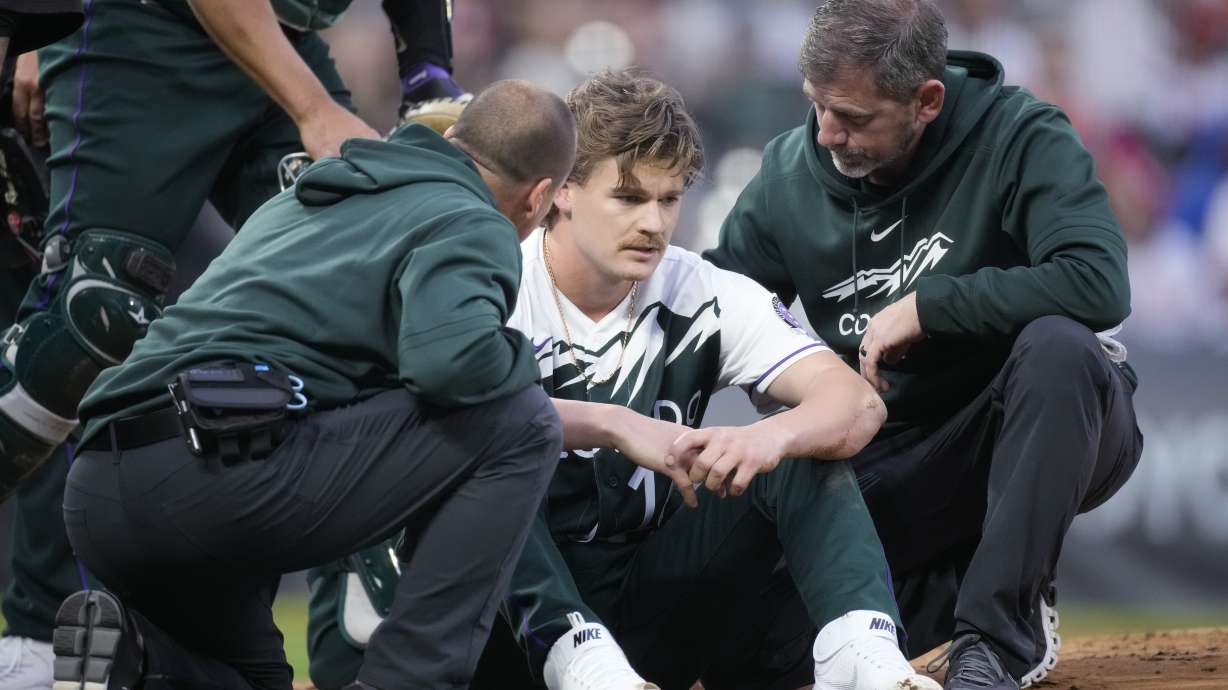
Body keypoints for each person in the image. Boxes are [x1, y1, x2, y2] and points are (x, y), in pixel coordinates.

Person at [307, 68, 942, 690]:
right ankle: (580, 660)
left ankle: (863, 656)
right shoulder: (490, 280)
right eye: (629, 196)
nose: (655, 224)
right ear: (561, 191)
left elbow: (857, 405)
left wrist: (768, 440)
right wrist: (612, 428)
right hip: (486, 628)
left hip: (639, 625)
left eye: (669, 199)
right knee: (476, 449)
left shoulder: (700, 290)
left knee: (804, 449)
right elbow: (426, 423)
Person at [51, 79, 576, 690]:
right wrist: (529, 364)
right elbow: (449, 363)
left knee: (255, 679)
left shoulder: (307, 194)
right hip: (217, 478)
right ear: (539, 198)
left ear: (451, 137)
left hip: (100, 487)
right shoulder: (470, 217)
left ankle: (140, 667)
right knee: (522, 421)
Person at [0, 2, 465, 686]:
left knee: (356, 298)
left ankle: (274, 648)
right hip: (140, 28)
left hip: (285, 34)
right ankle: (43, 635)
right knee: (93, 315)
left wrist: (431, 75)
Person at [703, 2, 1143, 689]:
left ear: (927, 100)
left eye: (853, 118)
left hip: (1041, 422)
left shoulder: (1021, 134)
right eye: (817, 106)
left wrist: (935, 306)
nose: (826, 135)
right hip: (895, 449)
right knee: (748, 643)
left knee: (1060, 348)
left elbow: (1098, 284)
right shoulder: (788, 174)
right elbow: (711, 310)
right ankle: (940, 605)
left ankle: (997, 640)